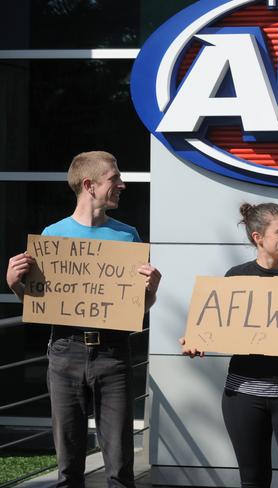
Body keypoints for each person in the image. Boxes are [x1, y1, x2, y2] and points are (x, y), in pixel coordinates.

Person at [5, 151, 161, 488]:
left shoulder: (127, 235)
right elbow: (41, 304)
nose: (122, 184)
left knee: (120, 466)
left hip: (113, 354)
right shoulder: (52, 236)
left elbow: (138, 309)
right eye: (114, 178)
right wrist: (15, 285)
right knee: (69, 466)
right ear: (89, 185)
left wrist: (152, 291)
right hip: (65, 352)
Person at [181, 202, 278, 488]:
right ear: (258, 238)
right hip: (242, 396)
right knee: (253, 480)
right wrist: (196, 340)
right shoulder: (235, 277)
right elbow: (216, 326)